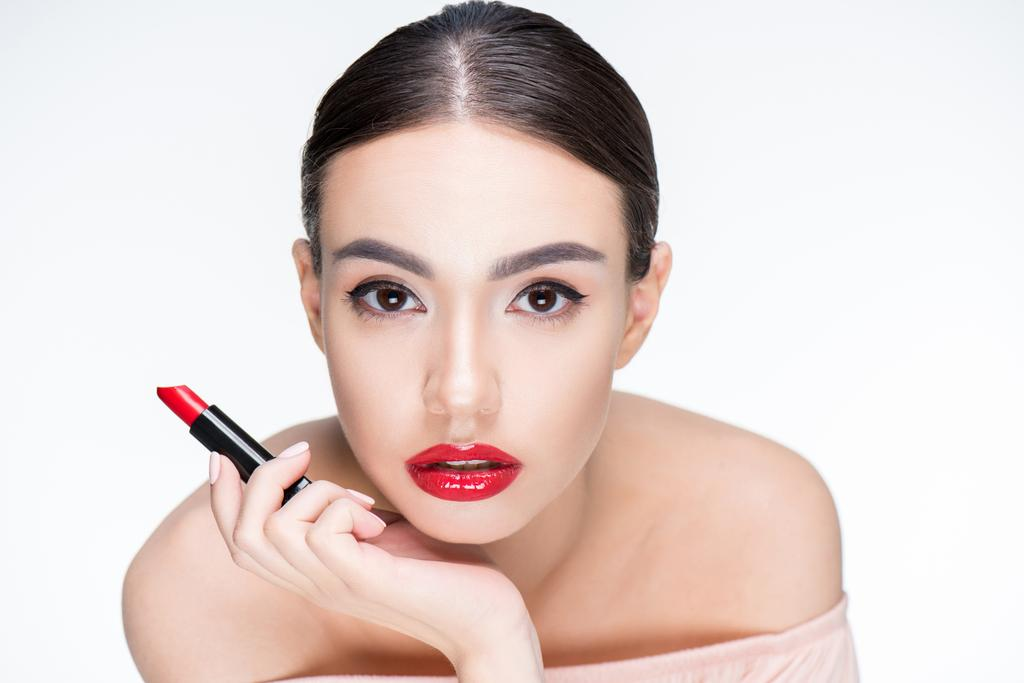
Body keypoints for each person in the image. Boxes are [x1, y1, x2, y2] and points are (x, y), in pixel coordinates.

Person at [123, 2, 858, 681]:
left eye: (542, 297)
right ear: (316, 301)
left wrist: (491, 642)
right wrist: (489, 640)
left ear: (638, 308)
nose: (461, 393)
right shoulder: (208, 593)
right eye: (390, 296)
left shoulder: (759, 526)